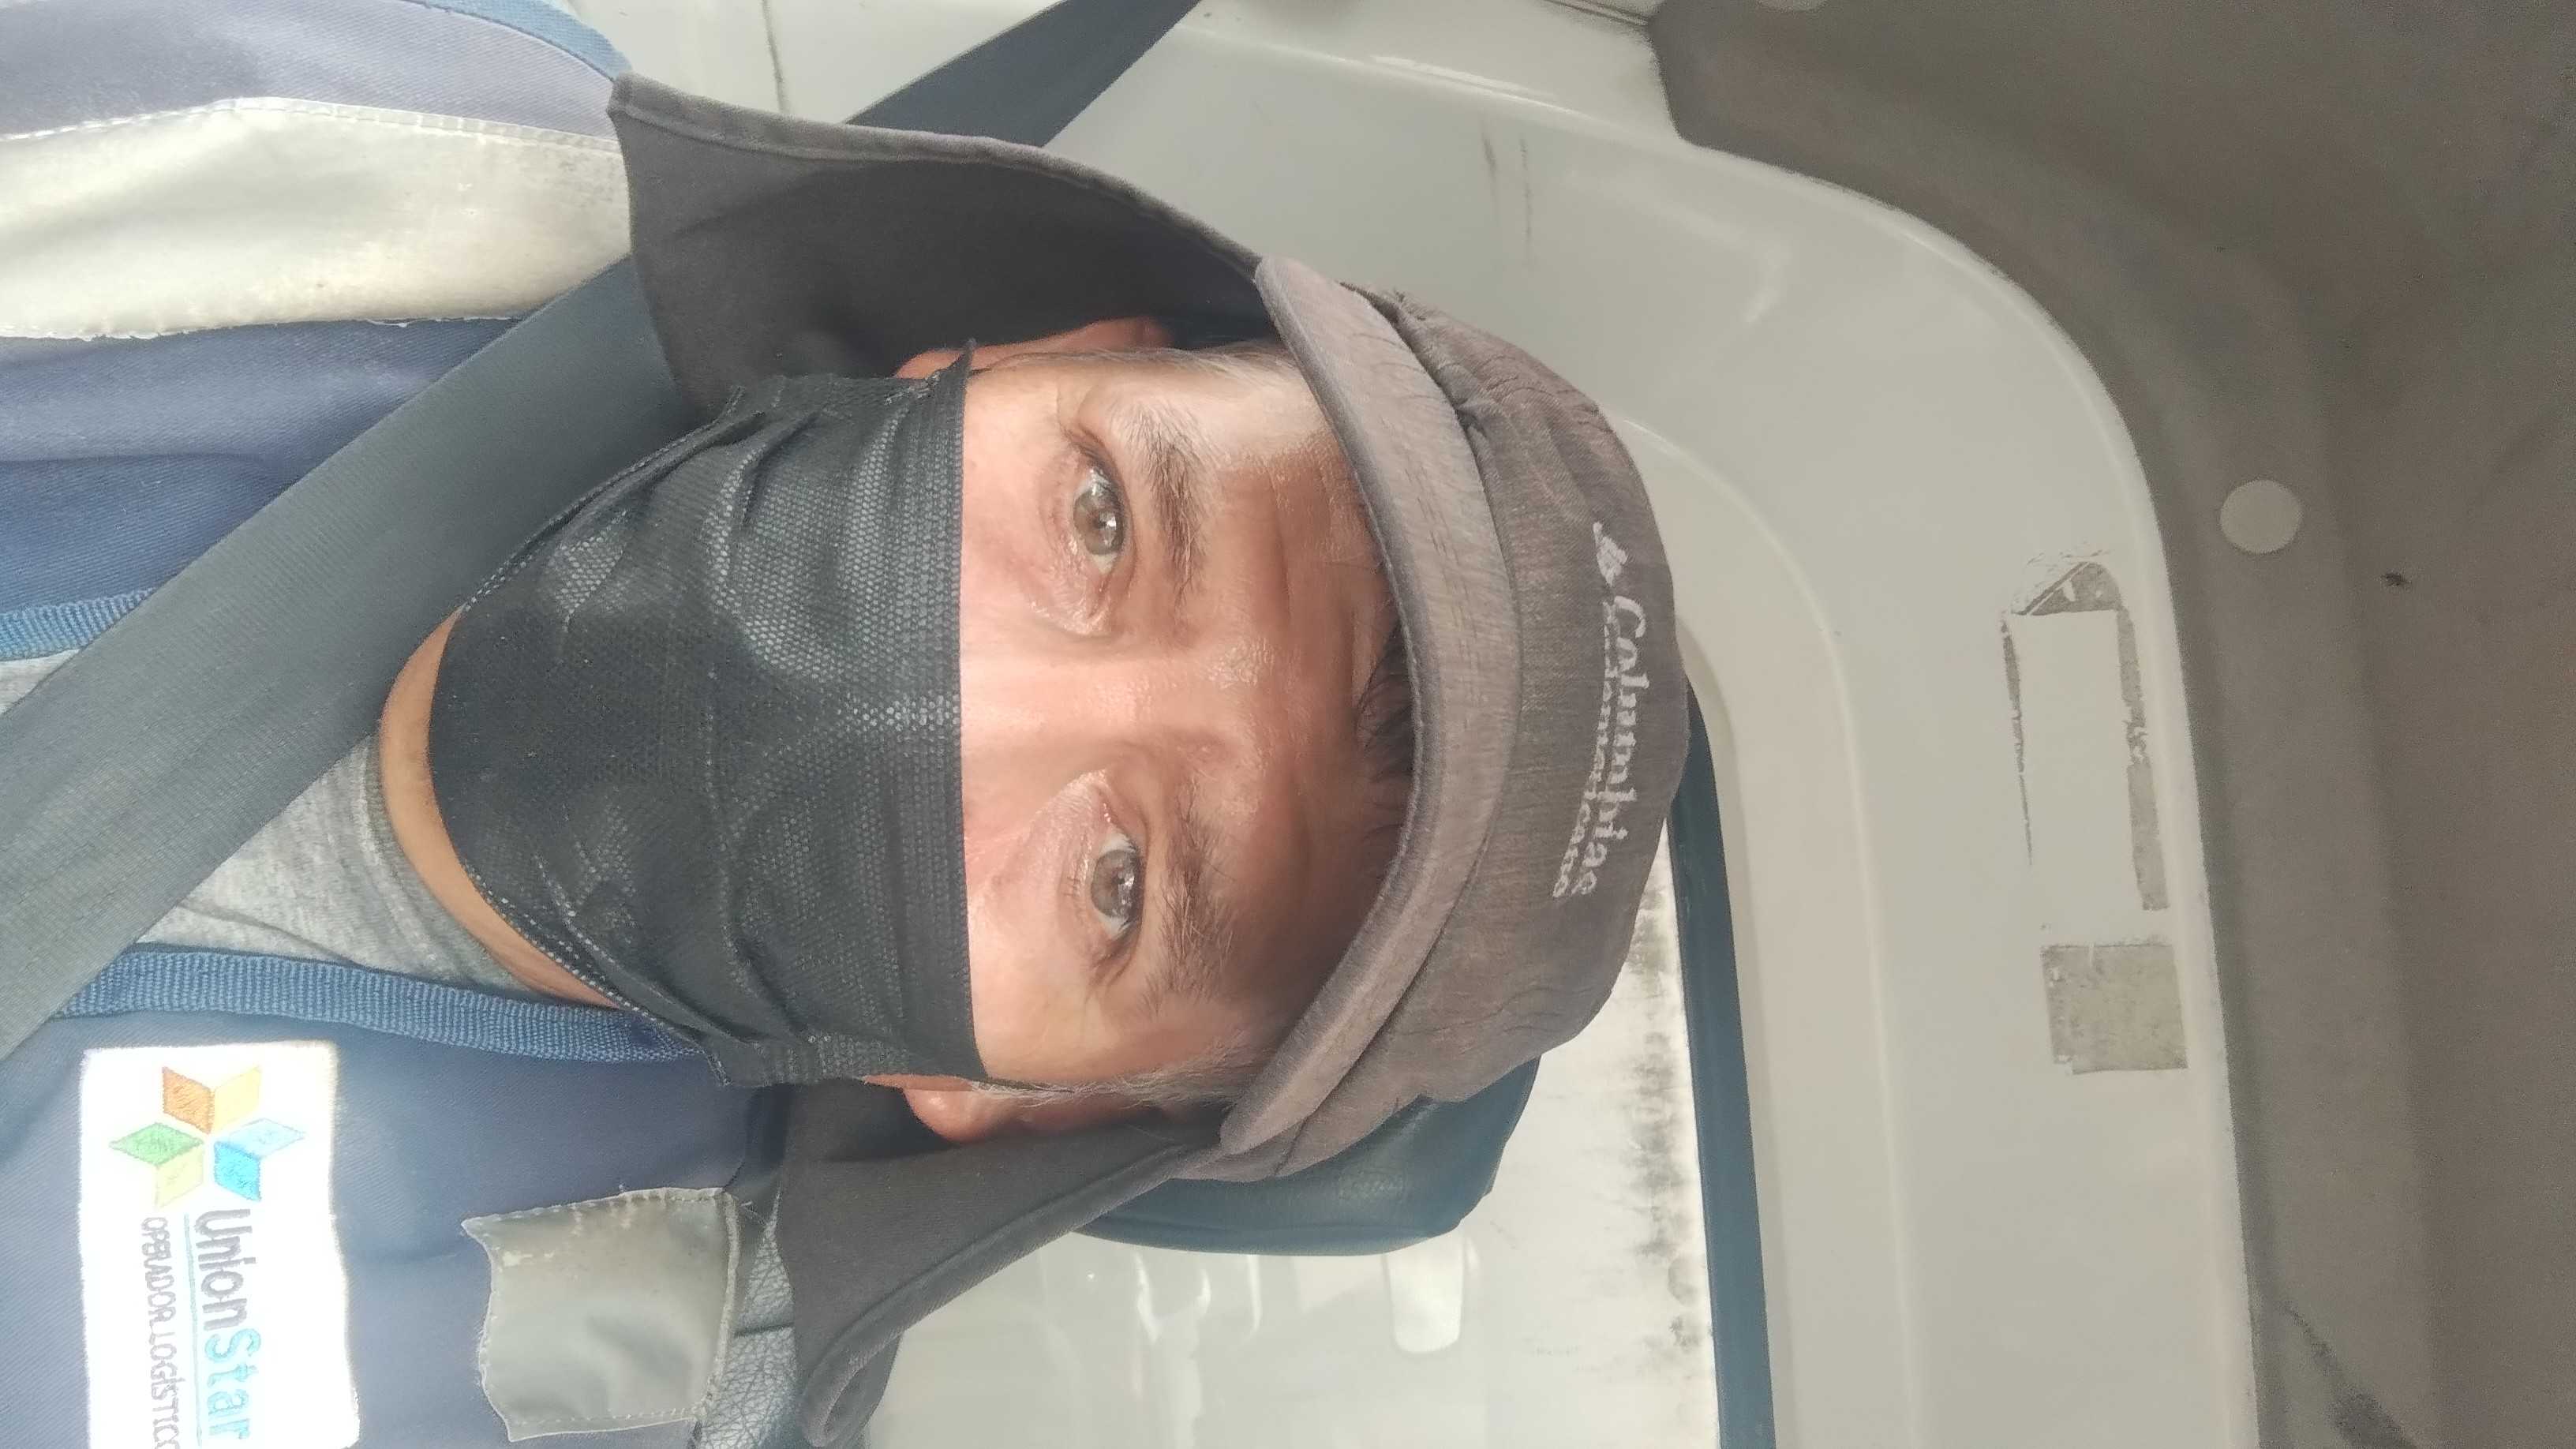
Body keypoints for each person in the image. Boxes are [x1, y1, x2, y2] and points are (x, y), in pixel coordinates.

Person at [0, 2, 1687, 1442]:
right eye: (1103, 518)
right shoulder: (423, 146)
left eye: (1121, 886)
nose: (965, 694)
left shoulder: (635, 1381)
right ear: (1026, 353)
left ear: (1022, 1106)